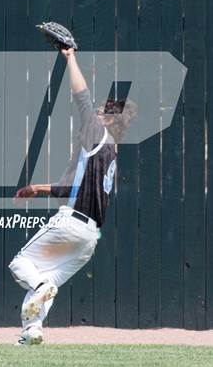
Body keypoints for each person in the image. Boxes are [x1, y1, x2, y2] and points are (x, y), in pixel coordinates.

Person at [8, 44, 137, 345]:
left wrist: (70, 58)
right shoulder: (111, 152)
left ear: (107, 120)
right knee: (48, 280)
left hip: (70, 223)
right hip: (89, 238)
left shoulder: (98, 135)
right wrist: (39, 188)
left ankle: (39, 292)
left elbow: (81, 98)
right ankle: (32, 332)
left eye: (101, 112)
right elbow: (72, 189)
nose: (96, 113)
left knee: (21, 265)